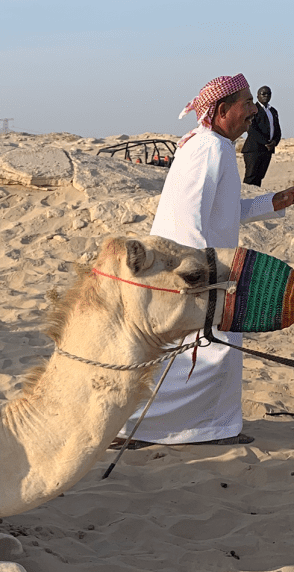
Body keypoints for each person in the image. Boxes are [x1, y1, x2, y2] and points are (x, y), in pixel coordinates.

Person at [118, 74, 294, 447]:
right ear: (221, 110)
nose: (252, 112)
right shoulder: (209, 148)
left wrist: (277, 201)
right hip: (196, 275)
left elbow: (223, 211)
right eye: (246, 104)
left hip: (205, 269)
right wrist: (202, 277)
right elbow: (188, 218)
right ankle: (151, 430)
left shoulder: (211, 145)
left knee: (214, 352)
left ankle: (208, 428)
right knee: (204, 353)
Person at [243, 85, 281, 187]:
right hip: (254, 149)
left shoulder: (273, 111)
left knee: (260, 177)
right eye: (263, 93)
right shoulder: (252, 110)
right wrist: (266, 142)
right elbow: (251, 129)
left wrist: (274, 142)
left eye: (268, 94)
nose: (266, 96)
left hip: (267, 150)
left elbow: (277, 130)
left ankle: (254, 200)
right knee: (251, 177)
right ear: (258, 95)